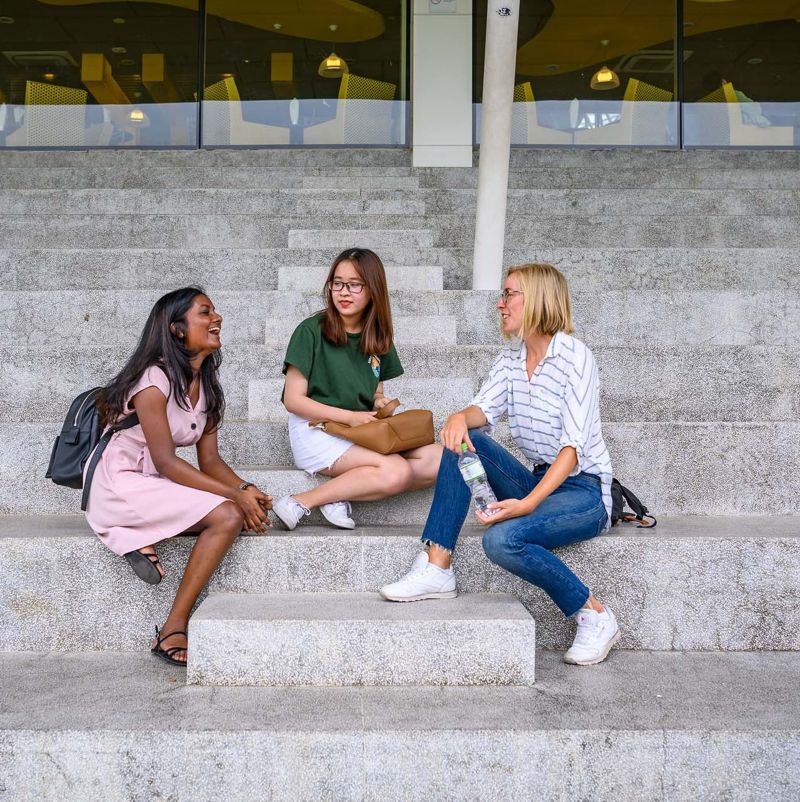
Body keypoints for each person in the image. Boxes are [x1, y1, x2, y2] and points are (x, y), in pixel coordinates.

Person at [380, 263, 619, 666]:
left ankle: (594, 613)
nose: (500, 303)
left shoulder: (575, 358)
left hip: (583, 491)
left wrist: (526, 505)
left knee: (502, 540)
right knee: (464, 441)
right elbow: (483, 410)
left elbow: (572, 450)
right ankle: (437, 565)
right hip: (541, 480)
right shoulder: (512, 358)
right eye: (503, 295)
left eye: (509, 294)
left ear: (538, 300)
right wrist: (459, 416)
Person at [86, 287, 272, 667]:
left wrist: (244, 489)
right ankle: (173, 627)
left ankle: (139, 534)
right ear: (176, 329)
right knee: (227, 515)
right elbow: (168, 461)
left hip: (154, 485)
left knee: (234, 511)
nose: (216, 318)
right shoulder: (153, 378)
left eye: (215, 312)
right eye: (205, 312)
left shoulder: (207, 387)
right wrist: (234, 499)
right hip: (117, 482)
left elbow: (212, 461)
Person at [272, 248, 441, 530]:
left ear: (373, 289)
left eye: (354, 285)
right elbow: (293, 400)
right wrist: (349, 416)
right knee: (396, 472)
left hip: (359, 431)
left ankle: (340, 491)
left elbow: (374, 388)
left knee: (438, 459)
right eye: (337, 283)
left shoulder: (378, 334)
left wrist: (377, 401)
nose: (343, 292)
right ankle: (301, 501)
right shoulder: (311, 330)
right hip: (317, 429)